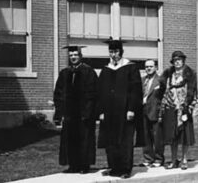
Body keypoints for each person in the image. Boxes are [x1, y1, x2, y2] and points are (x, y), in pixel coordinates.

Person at [97, 39, 143, 179]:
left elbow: (135, 91)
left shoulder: (131, 67)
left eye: (116, 51)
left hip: (125, 112)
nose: (113, 54)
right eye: (111, 51)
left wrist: (131, 109)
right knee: (111, 141)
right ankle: (114, 167)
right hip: (109, 112)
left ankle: (125, 169)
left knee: (125, 141)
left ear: (121, 52)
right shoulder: (106, 69)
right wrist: (101, 111)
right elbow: (101, 92)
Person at [53, 45, 97, 174]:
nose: (73, 57)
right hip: (69, 114)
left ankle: (84, 166)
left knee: (84, 139)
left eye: (75, 55)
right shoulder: (65, 72)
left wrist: (88, 112)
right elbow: (58, 93)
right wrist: (59, 112)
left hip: (84, 114)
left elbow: (93, 94)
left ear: (80, 56)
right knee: (70, 140)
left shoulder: (88, 72)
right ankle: (73, 165)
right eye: (71, 55)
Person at [158, 51, 196, 170]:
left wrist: (188, 105)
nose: (177, 62)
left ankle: (184, 159)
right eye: (175, 60)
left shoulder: (189, 74)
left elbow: (192, 91)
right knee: (172, 136)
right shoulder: (169, 75)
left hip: (184, 107)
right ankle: (174, 160)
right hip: (171, 107)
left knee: (184, 135)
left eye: (179, 60)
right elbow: (163, 90)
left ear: (183, 61)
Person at [140, 59, 164, 168]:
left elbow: (164, 97)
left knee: (157, 137)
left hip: (155, 111)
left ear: (155, 67)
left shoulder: (161, 80)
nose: (148, 68)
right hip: (143, 111)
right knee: (145, 136)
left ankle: (159, 159)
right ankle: (148, 158)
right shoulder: (142, 80)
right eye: (146, 67)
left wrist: (161, 113)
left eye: (150, 66)